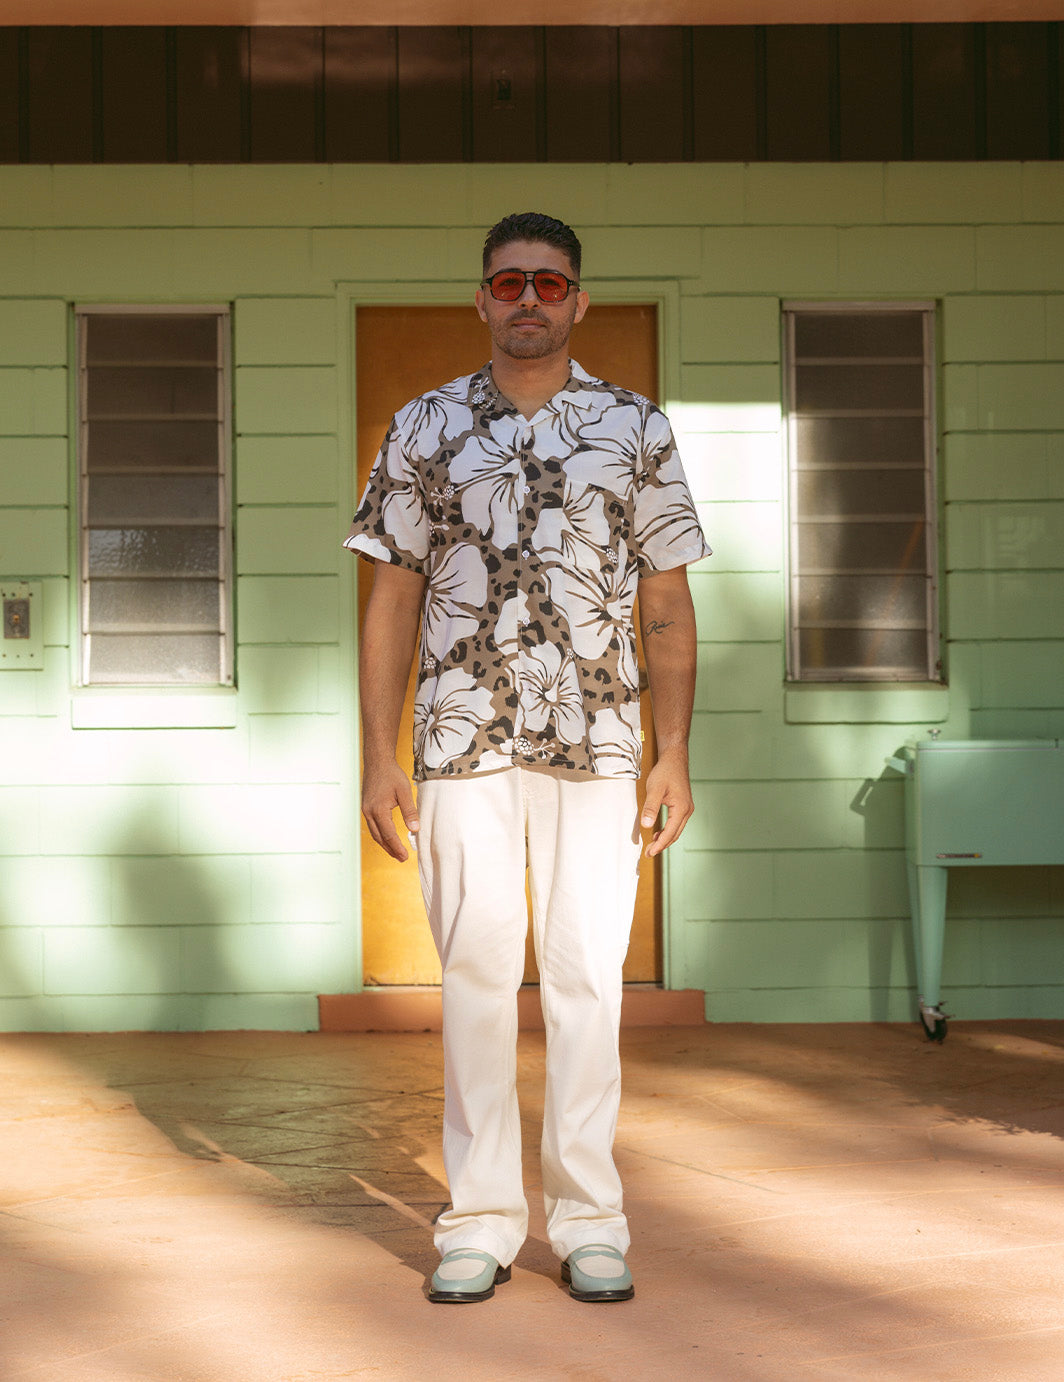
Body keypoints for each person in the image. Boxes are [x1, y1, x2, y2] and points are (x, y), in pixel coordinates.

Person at [344, 211, 710, 1305]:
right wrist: (375, 755)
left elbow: (667, 602)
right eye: (508, 283)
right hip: (460, 736)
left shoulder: (634, 428)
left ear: (577, 302)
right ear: (481, 299)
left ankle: (589, 1220)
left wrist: (672, 751)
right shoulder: (422, 426)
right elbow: (391, 598)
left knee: (589, 975)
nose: (529, 301)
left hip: (597, 741)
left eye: (549, 285)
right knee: (471, 974)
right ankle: (481, 1219)